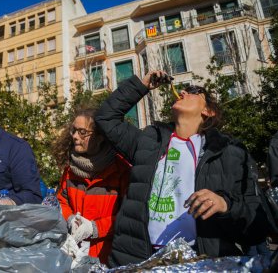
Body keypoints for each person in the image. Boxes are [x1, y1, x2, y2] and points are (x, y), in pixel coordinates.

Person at [95, 70, 271, 266]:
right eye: (184, 90)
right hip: (138, 260)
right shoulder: (148, 140)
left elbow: (258, 223)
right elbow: (106, 118)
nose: (183, 92)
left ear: (208, 111)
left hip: (200, 261)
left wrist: (224, 205)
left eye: (193, 90)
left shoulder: (229, 152)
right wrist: (141, 84)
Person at [54, 106, 130, 264]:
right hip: (74, 254)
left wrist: (95, 228)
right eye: (73, 131)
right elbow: (62, 200)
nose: (75, 136)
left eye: (82, 132)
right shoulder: (70, 170)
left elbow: (129, 217)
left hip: (108, 256)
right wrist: (69, 219)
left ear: (101, 136)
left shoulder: (121, 169)